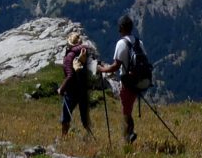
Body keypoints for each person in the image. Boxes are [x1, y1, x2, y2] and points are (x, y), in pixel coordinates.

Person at [98, 14, 141, 144]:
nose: (118, 31)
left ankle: (127, 138)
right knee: (127, 110)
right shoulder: (138, 42)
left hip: (128, 82)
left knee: (126, 112)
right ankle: (128, 136)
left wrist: (102, 69)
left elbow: (115, 66)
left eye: (119, 28)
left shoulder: (121, 43)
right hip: (138, 80)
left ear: (122, 28)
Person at [58, 29, 93, 138]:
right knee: (84, 116)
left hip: (72, 91)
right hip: (83, 89)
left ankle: (64, 137)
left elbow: (70, 76)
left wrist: (62, 89)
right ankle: (90, 135)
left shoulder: (69, 56)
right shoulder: (85, 52)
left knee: (66, 116)